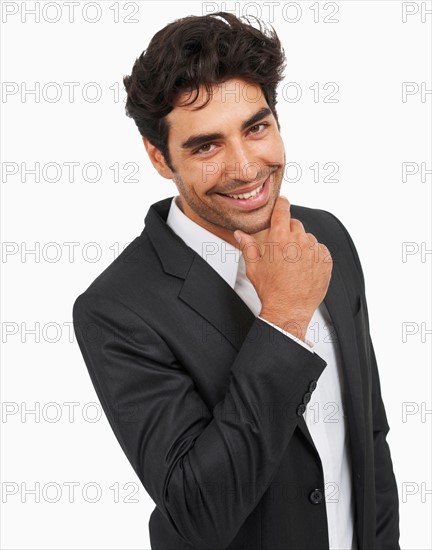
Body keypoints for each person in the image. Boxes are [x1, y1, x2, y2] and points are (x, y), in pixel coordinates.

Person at [72, 12, 400, 550]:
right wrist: (285, 320)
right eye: (206, 146)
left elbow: (369, 437)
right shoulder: (116, 309)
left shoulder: (327, 237)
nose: (247, 168)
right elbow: (200, 513)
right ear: (160, 157)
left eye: (256, 127)